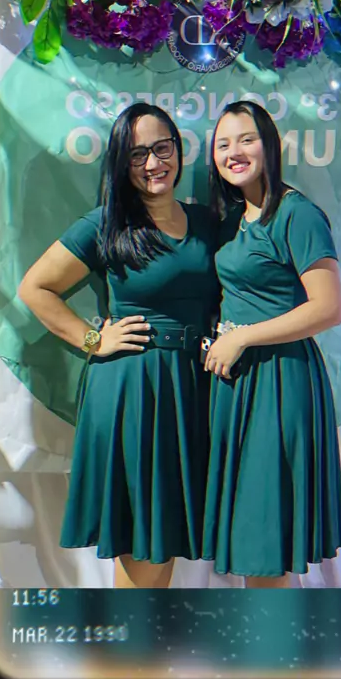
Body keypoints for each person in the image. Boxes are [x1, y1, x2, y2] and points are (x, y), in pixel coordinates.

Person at [18, 102, 218, 588]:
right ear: (121, 163)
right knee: (142, 542)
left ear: (179, 149)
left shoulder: (209, 223)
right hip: (133, 392)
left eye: (162, 148)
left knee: (167, 535)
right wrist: (93, 339)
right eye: (137, 154)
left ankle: (145, 635)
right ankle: (129, 638)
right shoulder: (105, 224)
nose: (153, 163)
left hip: (192, 391)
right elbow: (35, 288)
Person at [202, 100, 341, 588]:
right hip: (237, 386)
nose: (234, 152)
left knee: (267, 540)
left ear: (269, 145)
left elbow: (329, 308)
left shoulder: (296, 213)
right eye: (223, 144)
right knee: (250, 537)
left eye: (246, 139)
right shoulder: (232, 218)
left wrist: (243, 337)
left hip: (280, 384)